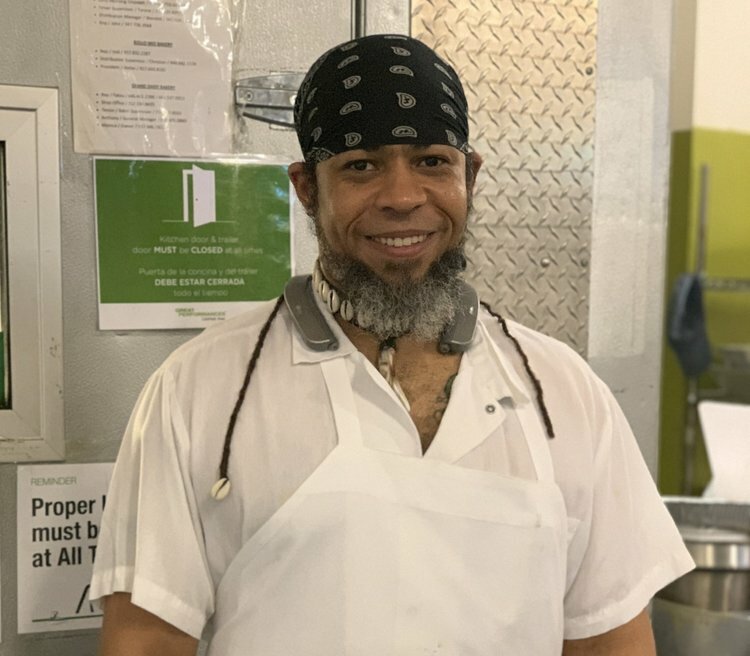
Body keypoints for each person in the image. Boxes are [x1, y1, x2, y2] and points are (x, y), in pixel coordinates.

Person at [92, 34, 693, 655]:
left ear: (470, 176)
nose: (403, 198)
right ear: (306, 188)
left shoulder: (564, 393)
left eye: (432, 161)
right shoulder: (200, 391)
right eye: (361, 165)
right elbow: (147, 641)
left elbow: (607, 640)